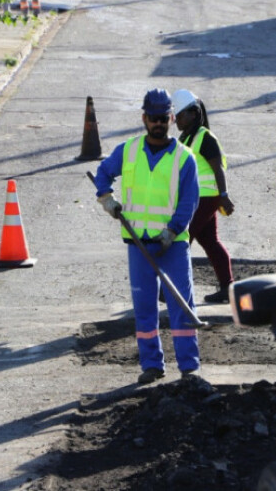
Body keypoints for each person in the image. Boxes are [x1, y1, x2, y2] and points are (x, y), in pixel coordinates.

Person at [93, 89, 202, 384]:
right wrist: (107, 199)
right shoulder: (127, 151)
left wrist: (172, 230)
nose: (157, 123)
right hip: (138, 243)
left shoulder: (184, 158)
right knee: (144, 309)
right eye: (152, 118)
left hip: (173, 244)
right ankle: (151, 365)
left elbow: (189, 200)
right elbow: (103, 174)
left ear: (170, 118)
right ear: (144, 118)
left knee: (181, 305)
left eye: (162, 118)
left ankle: (189, 366)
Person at [172, 89, 236, 304]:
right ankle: (228, 287)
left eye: (180, 115)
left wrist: (224, 195)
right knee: (210, 241)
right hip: (197, 197)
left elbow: (218, 168)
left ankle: (173, 288)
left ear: (193, 113)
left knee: (182, 238)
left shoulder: (205, 138)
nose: (176, 120)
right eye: (176, 115)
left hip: (206, 198)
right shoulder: (187, 137)